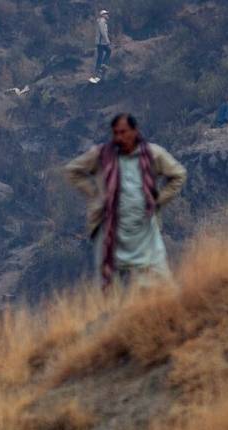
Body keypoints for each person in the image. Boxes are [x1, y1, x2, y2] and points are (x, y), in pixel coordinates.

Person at [65, 113, 187, 289]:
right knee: (108, 287)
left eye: (123, 132)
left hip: (144, 229)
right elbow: (73, 170)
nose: (119, 138)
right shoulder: (102, 155)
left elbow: (178, 174)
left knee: (161, 282)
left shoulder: (153, 154)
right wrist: (96, 195)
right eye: (115, 133)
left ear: (135, 131)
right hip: (111, 230)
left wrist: (158, 200)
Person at [90, 10, 111, 84]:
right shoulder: (102, 21)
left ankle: (103, 65)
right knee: (100, 55)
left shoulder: (103, 22)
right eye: (106, 14)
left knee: (108, 51)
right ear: (103, 15)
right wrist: (107, 40)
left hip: (102, 42)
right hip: (100, 42)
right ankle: (97, 69)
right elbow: (103, 32)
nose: (107, 15)